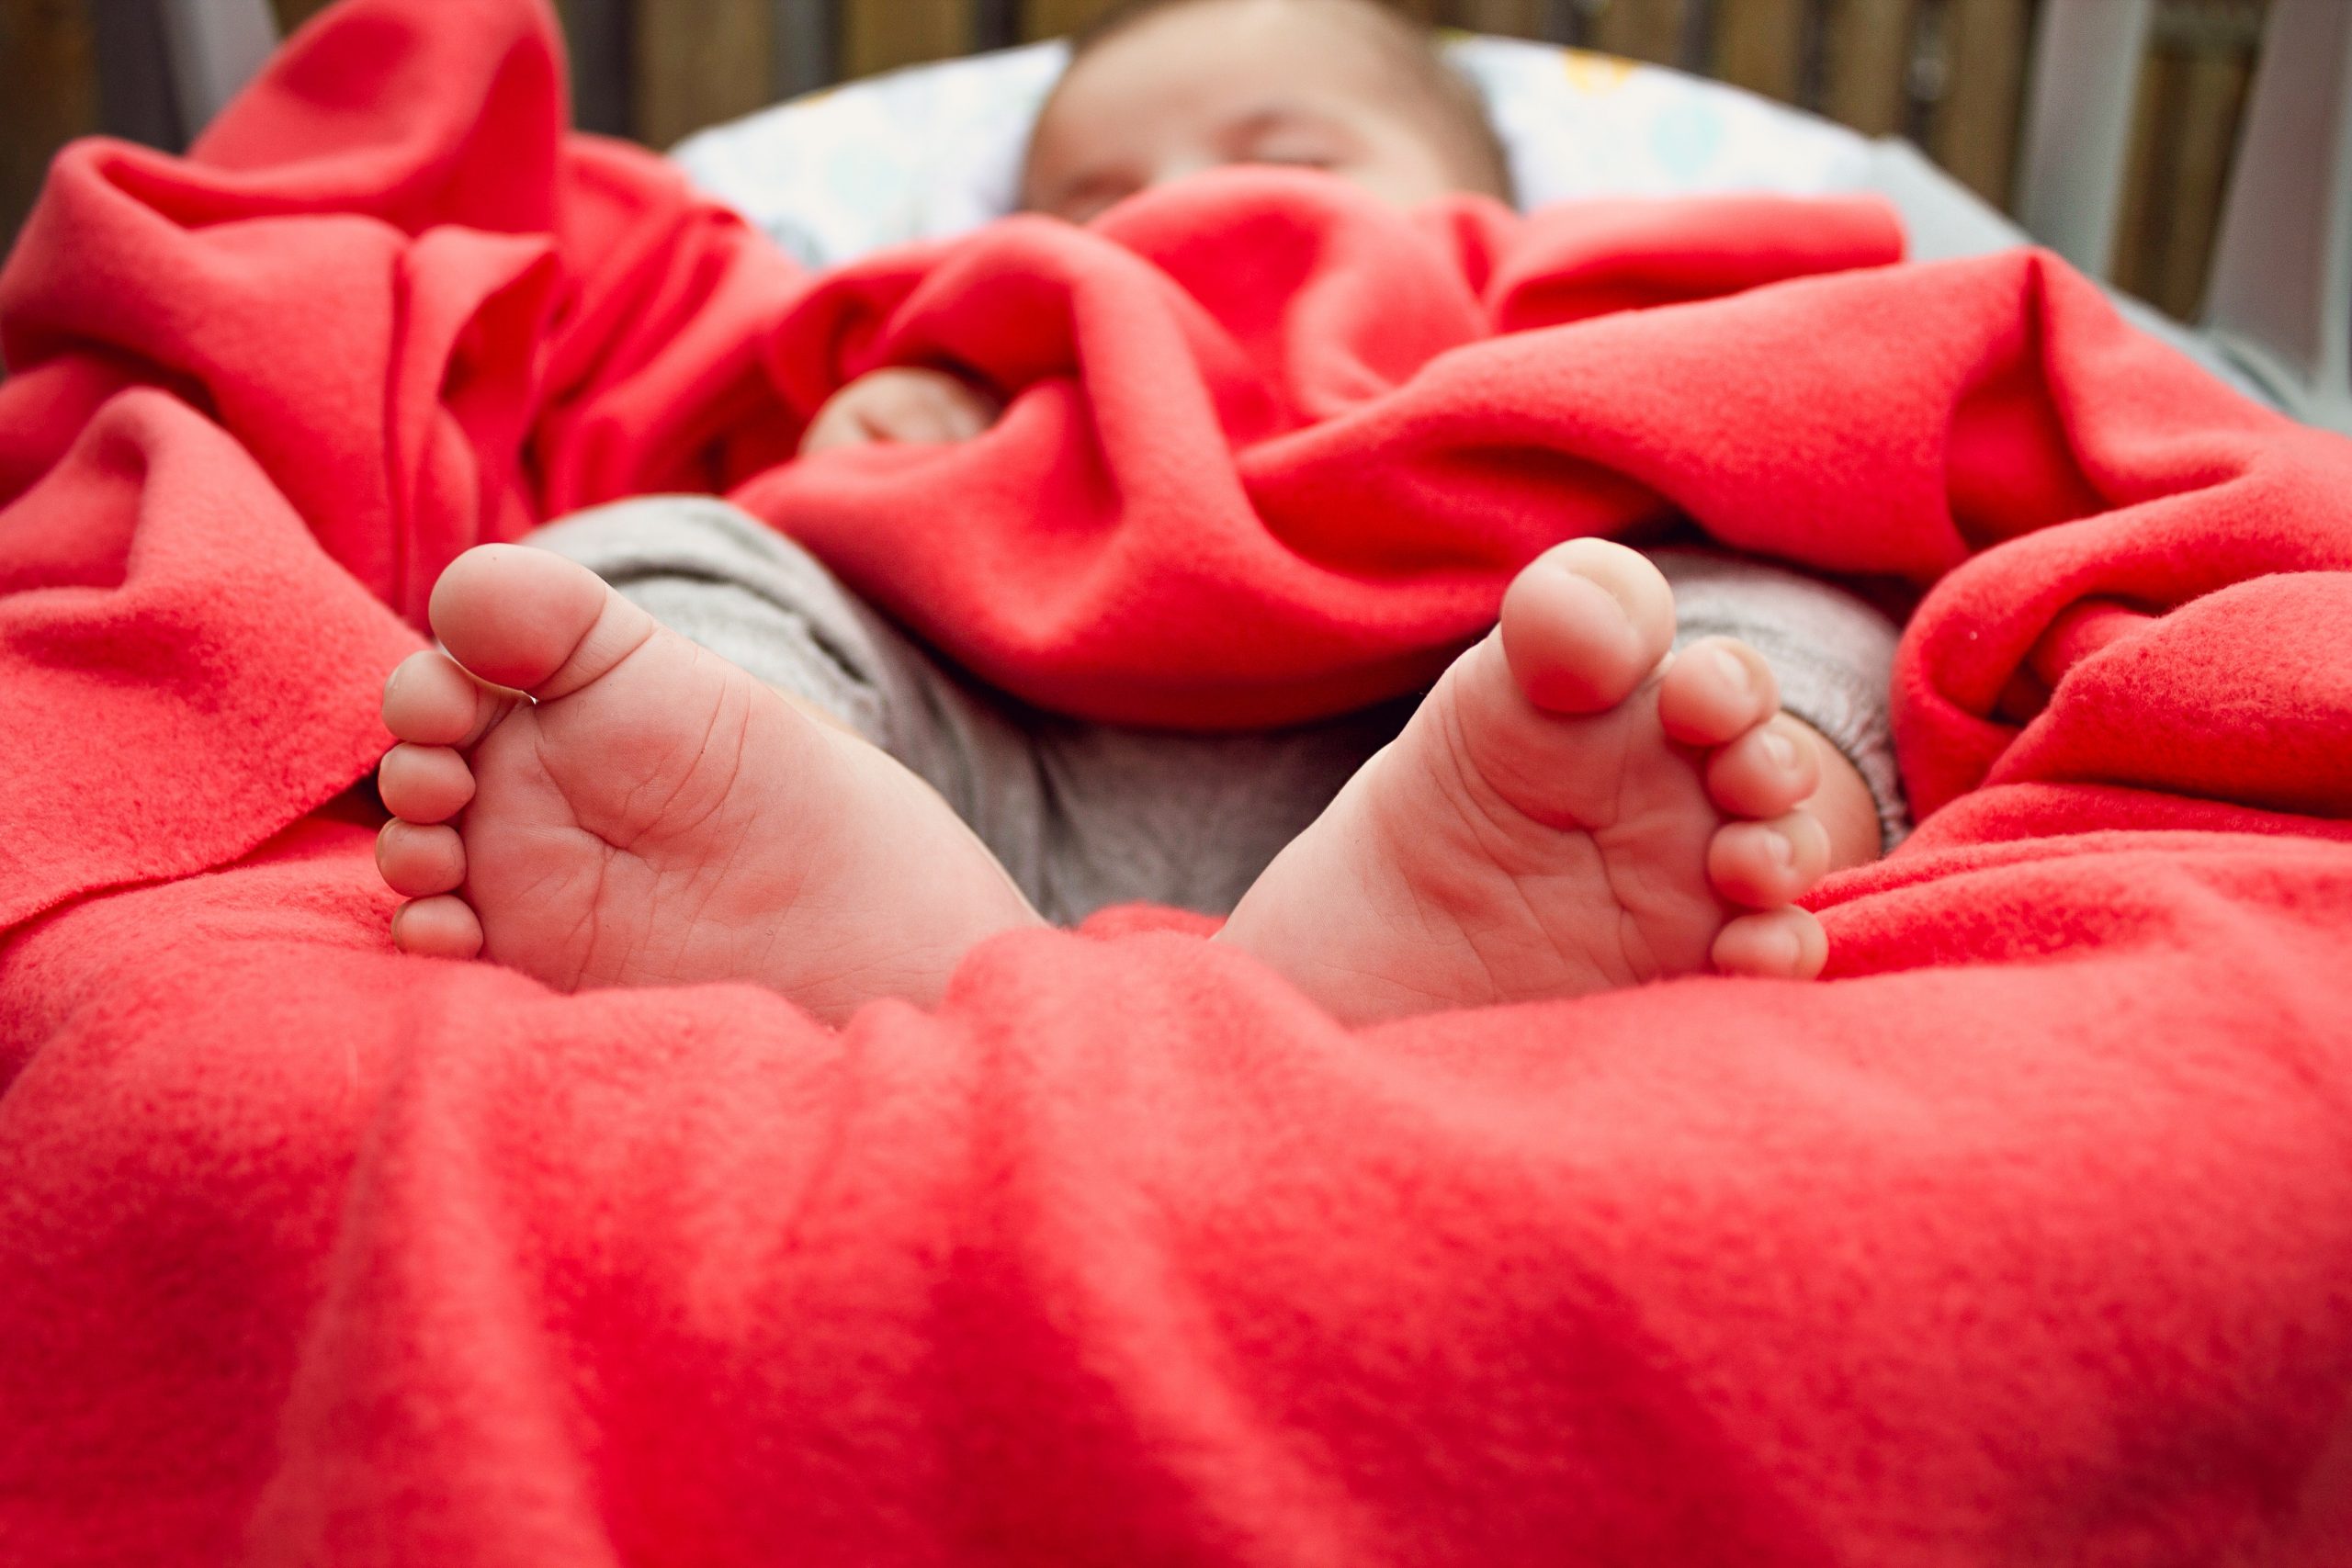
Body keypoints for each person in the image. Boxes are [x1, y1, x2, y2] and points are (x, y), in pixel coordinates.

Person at [368, 0, 1906, 1027]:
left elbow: (1803, 411)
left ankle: (1677, 827)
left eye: (1289, 156)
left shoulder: (1550, 291)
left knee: (1763, 614)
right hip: (949, 779)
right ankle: (729, 813)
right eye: (1095, 196)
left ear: (1497, 201)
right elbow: (826, 491)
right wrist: (886, 436)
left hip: (1479, 740)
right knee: (675, 565)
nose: (1175, 210)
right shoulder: (974, 336)